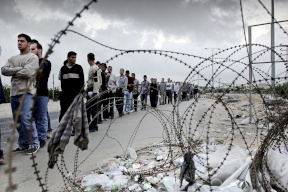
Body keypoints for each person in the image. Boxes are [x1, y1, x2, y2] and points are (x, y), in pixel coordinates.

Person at [1, 33, 40, 155]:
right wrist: (19, 69)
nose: (19, 43)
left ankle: (34, 143)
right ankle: (23, 144)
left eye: (22, 41)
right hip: (14, 93)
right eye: (18, 41)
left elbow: (28, 72)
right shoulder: (13, 58)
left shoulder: (33, 58)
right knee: (17, 121)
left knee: (26, 118)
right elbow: (3, 70)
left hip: (26, 92)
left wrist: (13, 71)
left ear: (28, 44)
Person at [30, 39, 51, 148]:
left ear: (39, 50)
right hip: (30, 93)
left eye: (33, 49)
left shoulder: (46, 62)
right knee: (31, 117)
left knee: (42, 116)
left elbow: (42, 76)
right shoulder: (30, 62)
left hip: (42, 93)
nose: (30, 51)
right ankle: (33, 139)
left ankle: (42, 138)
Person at [59, 51, 85, 123]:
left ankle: (75, 129)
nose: (74, 59)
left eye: (75, 57)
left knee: (76, 113)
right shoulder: (63, 69)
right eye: (72, 57)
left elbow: (82, 82)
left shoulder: (79, 68)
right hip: (66, 95)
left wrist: (80, 93)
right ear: (68, 58)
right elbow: (62, 83)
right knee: (64, 112)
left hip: (76, 95)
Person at [86, 53, 101, 132]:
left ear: (88, 59)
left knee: (93, 108)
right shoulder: (94, 67)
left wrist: (95, 92)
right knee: (91, 108)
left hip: (92, 89)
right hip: (91, 88)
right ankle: (92, 125)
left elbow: (96, 80)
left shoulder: (94, 68)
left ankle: (94, 125)